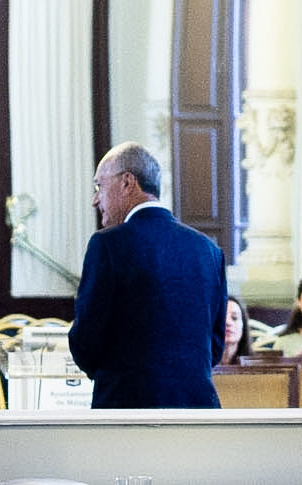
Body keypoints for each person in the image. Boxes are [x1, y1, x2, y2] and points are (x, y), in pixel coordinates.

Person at [68, 142, 228, 408]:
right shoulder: (208, 250)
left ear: (127, 182)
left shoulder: (108, 245)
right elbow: (215, 345)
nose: (95, 199)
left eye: (99, 186)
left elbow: (86, 341)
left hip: (127, 412)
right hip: (198, 415)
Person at [221, 294, 254, 365]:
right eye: (221, 318)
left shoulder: (255, 366)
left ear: (243, 326)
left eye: (234, 318)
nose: (228, 322)